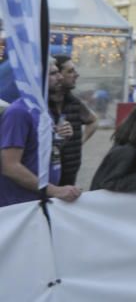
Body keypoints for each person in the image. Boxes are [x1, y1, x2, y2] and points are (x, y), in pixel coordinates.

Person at [1, 59, 80, 206]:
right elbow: (10, 166)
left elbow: (39, 154)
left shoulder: (41, 109)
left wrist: (60, 140)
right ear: (36, 77)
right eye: (53, 73)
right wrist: (54, 190)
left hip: (37, 202)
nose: (60, 77)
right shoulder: (19, 112)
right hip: (19, 207)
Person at [49, 56, 98, 188]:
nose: (76, 75)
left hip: (69, 176)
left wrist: (79, 142)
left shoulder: (74, 102)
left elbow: (93, 121)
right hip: (48, 179)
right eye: (70, 71)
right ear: (58, 74)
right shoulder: (42, 105)